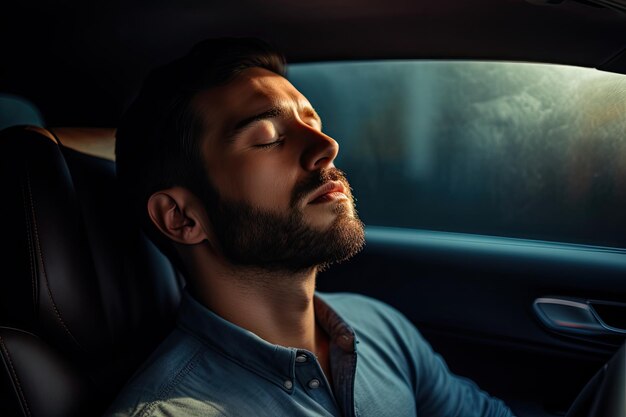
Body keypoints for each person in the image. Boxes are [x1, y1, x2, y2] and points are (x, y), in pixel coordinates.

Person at [106, 38, 515, 417]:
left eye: (313, 125)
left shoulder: (379, 325)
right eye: (267, 137)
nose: (327, 146)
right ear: (182, 218)